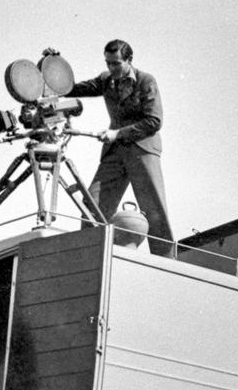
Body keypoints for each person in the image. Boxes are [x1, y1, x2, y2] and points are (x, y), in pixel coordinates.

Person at [68, 39, 174, 257]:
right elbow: (74, 88)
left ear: (129, 60)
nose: (111, 69)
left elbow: (154, 121)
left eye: (116, 64)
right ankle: (88, 257)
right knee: (93, 204)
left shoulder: (146, 81)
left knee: (154, 211)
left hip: (142, 150)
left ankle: (167, 265)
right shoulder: (107, 80)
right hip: (115, 154)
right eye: (108, 63)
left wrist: (118, 134)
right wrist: (50, 70)